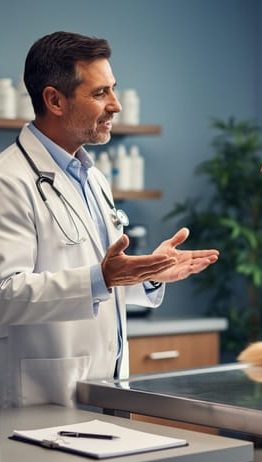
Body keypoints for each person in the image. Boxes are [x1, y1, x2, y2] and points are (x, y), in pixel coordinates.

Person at [0, 31, 219, 408]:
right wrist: (103, 277)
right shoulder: (9, 180)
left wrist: (148, 272)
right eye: (100, 93)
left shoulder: (92, 176)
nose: (115, 105)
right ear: (54, 99)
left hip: (108, 389)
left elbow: (100, 280)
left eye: (113, 90)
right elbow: (5, 294)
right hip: (42, 400)